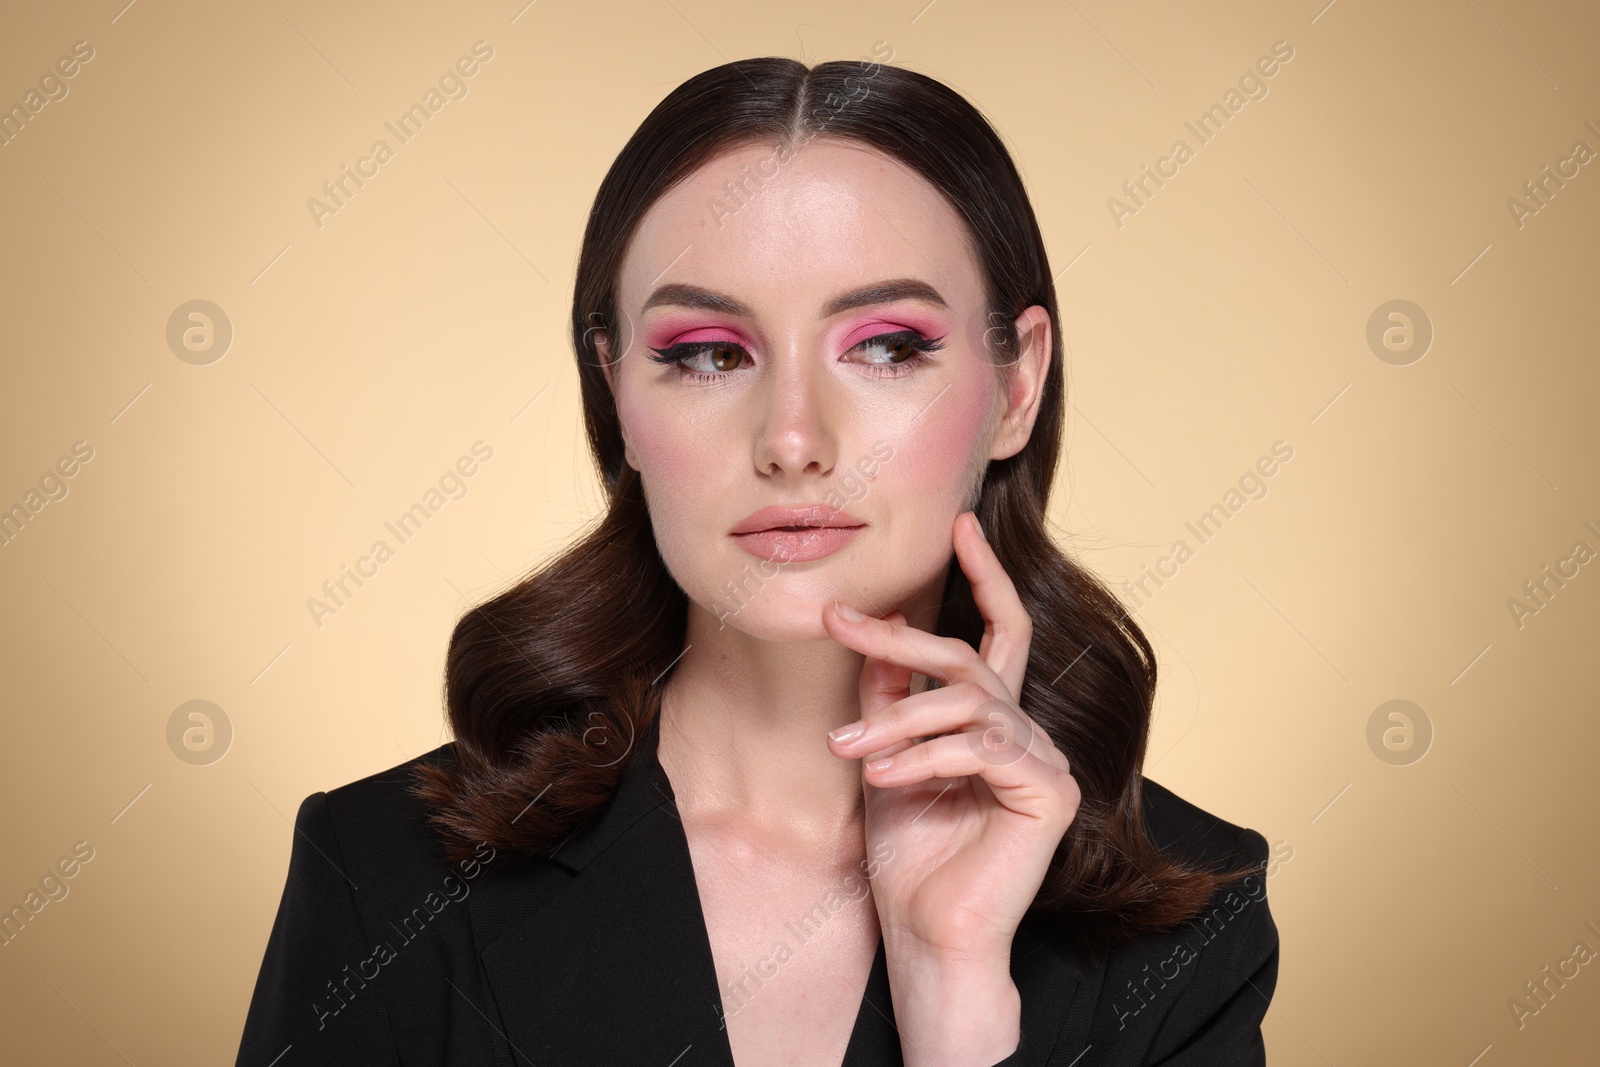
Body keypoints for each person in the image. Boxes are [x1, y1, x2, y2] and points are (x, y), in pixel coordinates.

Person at [235, 54, 1279, 1067]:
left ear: (1015, 385)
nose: (790, 439)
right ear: (615, 396)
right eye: (706, 354)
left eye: (885, 345)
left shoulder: (1190, 923)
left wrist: (952, 985)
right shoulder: (380, 869)